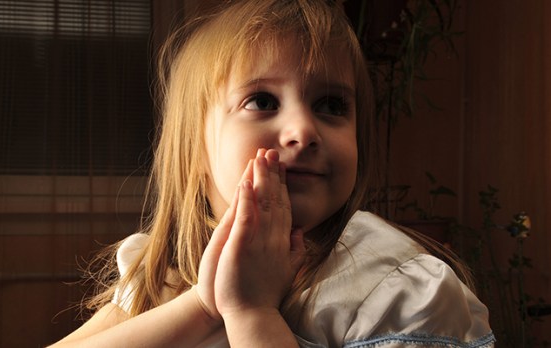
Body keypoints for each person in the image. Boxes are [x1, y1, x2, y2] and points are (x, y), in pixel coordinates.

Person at [50, 0, 495, 347]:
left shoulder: (396, 295)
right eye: (262, 101)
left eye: (332, 105)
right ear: (195, 152)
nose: (303, 130)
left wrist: (251, 314)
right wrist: (203, 305)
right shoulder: (165, 271)